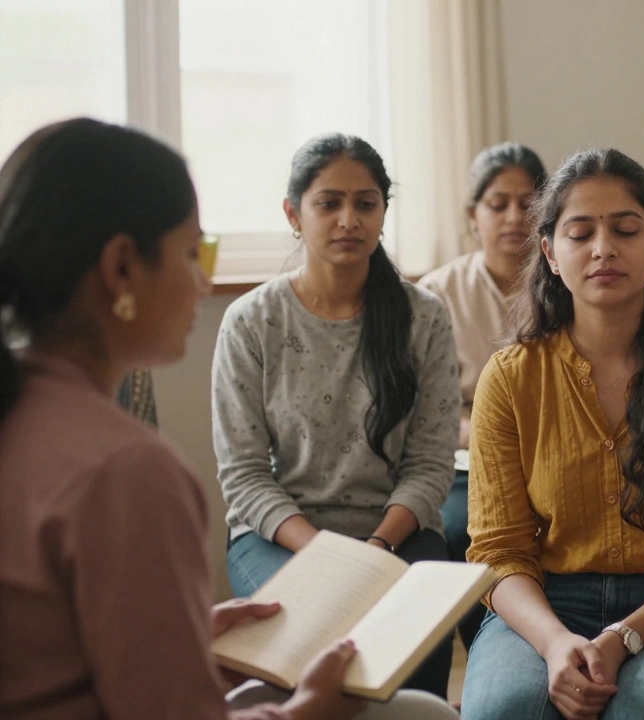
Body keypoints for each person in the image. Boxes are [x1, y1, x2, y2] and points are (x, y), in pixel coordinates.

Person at [0, 117, 454, 719]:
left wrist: (189, 637)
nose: (202, 280)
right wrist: (300, 713)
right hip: (284, 540)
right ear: (121, 269)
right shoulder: (127, 470)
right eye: (192, 252)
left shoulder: (26, 416)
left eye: (365, 203)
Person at [460, 148, 644, 720]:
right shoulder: (511, 377)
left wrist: (623, 638)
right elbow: (497, 552)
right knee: (507, 710)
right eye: (579, 233)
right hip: (544, 603)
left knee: (643, 709)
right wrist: (553, 643)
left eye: (625, 229)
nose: (603, 249)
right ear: (549, 252)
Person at [213, 134, 460, 697]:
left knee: (408, 656)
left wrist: (373, 550)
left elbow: (429, 465)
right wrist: (327, 556)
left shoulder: (424, 318)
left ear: (382, 213)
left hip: (395, 533)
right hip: (282, 534)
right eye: (329, 203)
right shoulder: (251, 321)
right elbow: (245, 476)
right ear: (293, 213)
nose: (349, 219)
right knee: (313, 640)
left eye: (366, 203)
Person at [418, 141, 546, 649]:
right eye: (498, 204)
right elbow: (426, 411)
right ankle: (493, 653)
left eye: (527, 203)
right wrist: (487, 434)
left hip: (551, 457)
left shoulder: (567, 284)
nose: (514, 217)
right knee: (455, 533)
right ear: (474, 215)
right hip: (466, 465)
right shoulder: (436, 294)